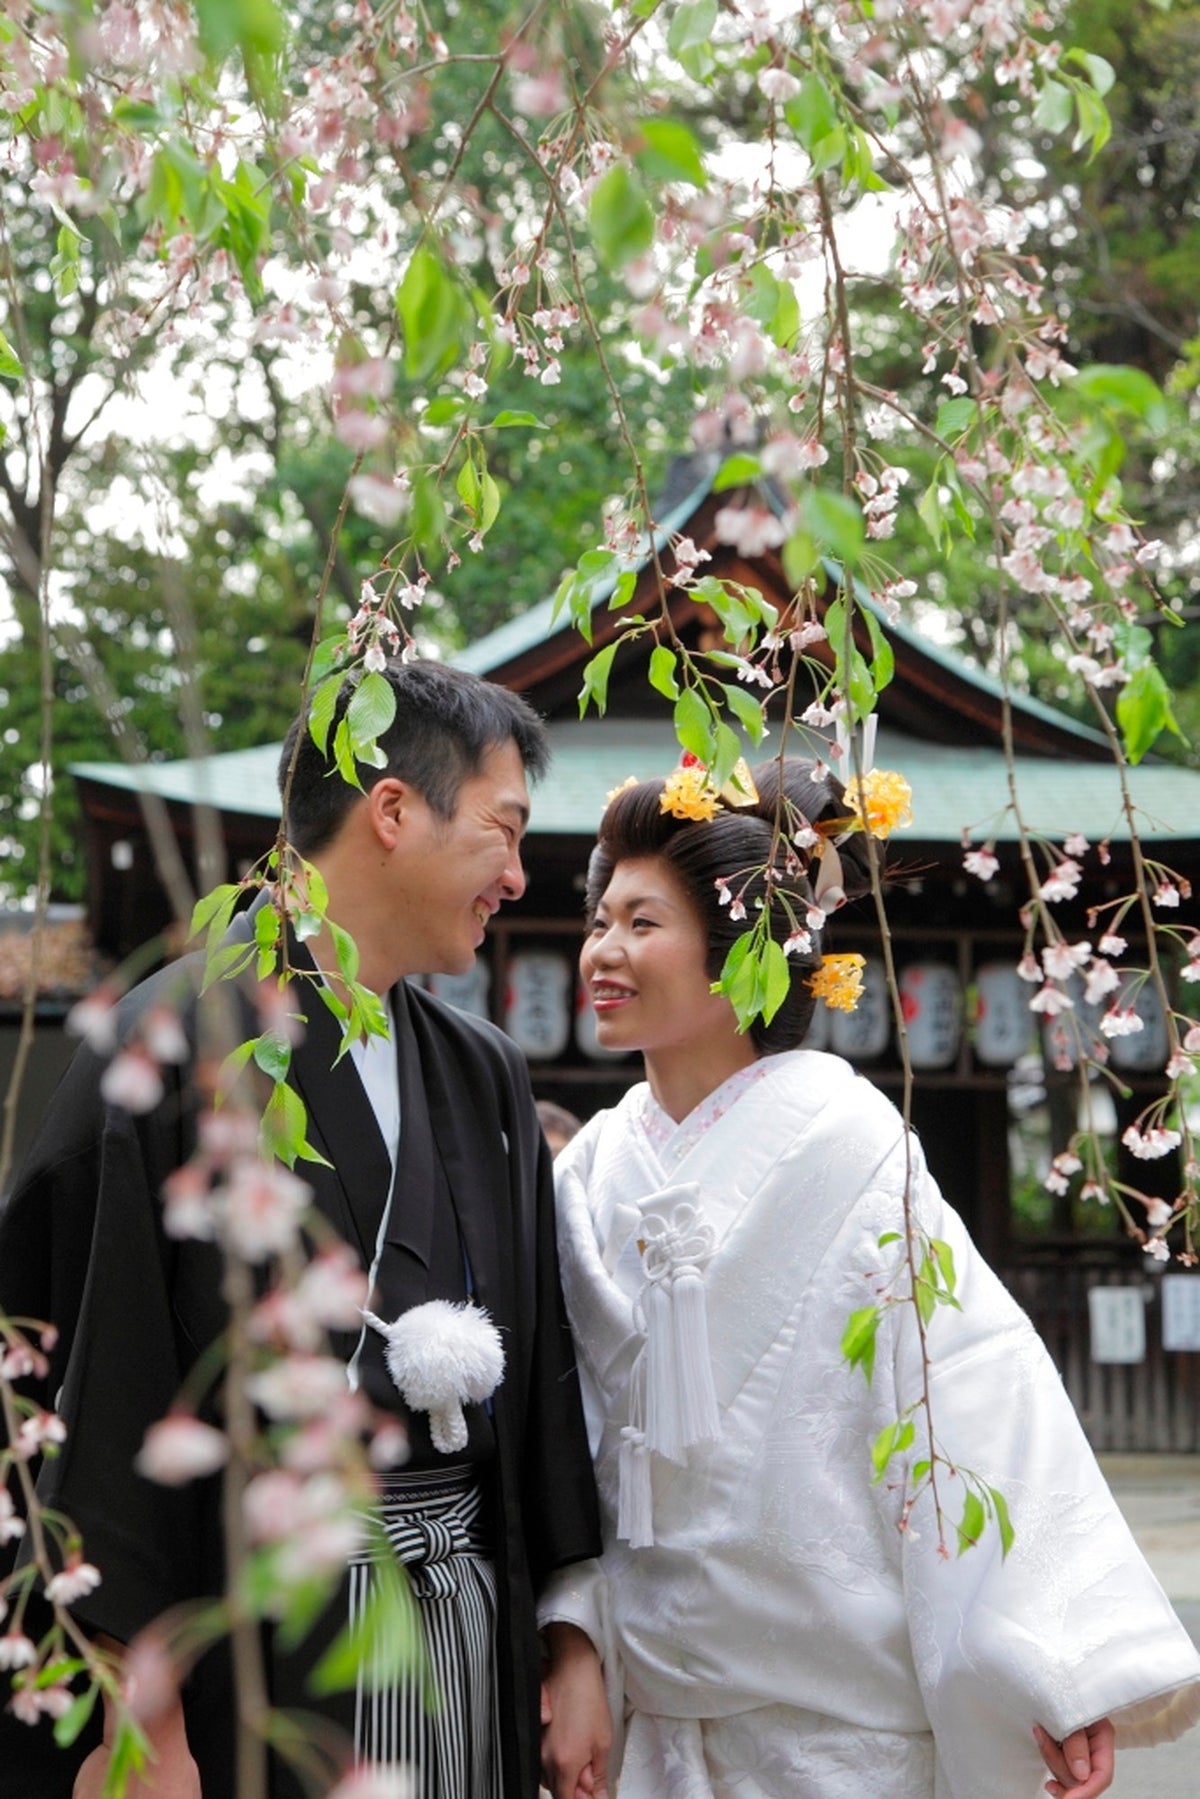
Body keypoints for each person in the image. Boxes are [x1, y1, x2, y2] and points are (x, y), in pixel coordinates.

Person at [538, 759, 1200, 1799]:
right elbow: (558, 1436)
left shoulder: (850, 1146)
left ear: (742, 948)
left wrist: (1061, 1665)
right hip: (649, 1728)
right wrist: (572, 1633)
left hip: (841, 1739)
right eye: (598, 918)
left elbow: (974, 1391)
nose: (602, 951)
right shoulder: (585, 1175)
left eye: (642, 921)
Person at [0, 660, 605, 1798]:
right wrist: (145, 1723)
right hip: (259, 1653)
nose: (520, 876)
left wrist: (571, 1641)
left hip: (467, 1634)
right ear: (391, 811)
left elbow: (542, 1390)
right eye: (503, 830)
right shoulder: (169, 1043)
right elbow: (100, 1383)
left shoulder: (484, 1073)